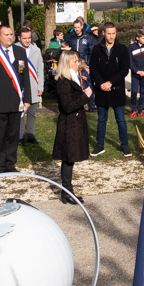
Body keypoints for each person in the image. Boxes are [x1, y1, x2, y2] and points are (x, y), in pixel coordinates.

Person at [0, 26, 31, 172]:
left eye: (11, 34)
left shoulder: (20, 51)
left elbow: (25, 77)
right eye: (6, 34)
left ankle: (10, 163)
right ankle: (0, 164)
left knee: (13, 133)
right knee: (0, 134)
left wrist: (27, 99)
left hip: (16, 100)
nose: (9, 37)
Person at [51, 50, 92, 204]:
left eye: (78, 60)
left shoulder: (73, 77)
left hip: (75, 123)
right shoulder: (63, 81)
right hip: (69, 124)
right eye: (75, 61)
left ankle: (67, 191)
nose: (78, 63)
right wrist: (85, 97)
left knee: (71, 158)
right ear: (67, 63)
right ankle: (67, 192)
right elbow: (67, 106)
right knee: (68, 158)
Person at [89, 22, 132, 157]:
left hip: (117, 89)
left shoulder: (122, 49)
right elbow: (93, 69)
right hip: (101, 90)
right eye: (109, 33)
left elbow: (124, 69)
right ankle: (99, 144)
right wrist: (102, 83)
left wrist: (111, 82)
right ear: (103, 33)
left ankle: (124, 145)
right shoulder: (97, 49)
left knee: (120, 120)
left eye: (114, 33)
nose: (112, 36)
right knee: (102, 119)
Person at [16, 27, 44, 143]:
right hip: (20, 86)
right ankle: (20, 136)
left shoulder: (36, 50)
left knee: (32, 113)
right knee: (20, 112)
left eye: (29, 38)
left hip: (33, 86)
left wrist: (40, 87)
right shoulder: (15, 49)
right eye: (24, 38)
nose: (27, 40)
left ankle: (31, 135)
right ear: (19, 38)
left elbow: (39, 70)